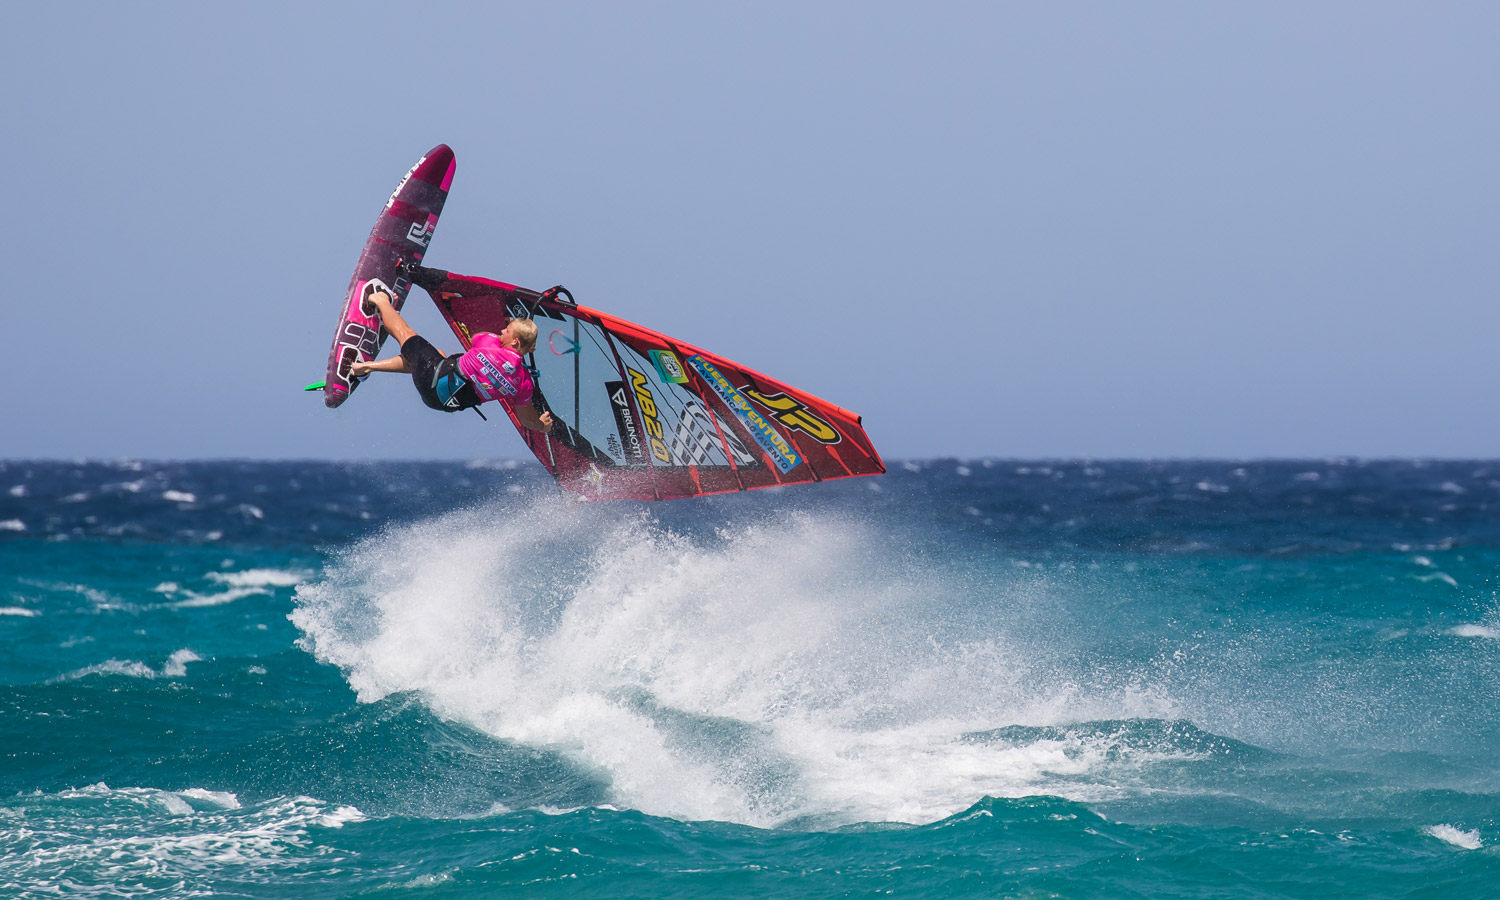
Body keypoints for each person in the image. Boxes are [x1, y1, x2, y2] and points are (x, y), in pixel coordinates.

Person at [349, 286, 554, 433]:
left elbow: (475, 338)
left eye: (507, 331)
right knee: (434, 355)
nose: (502, 331)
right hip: (442, 403)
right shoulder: (524, 383)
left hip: (434, 378)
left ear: (516, 342)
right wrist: (542, 425)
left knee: (405, 333)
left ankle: (380, 300)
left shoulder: (489, 343)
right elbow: (527, 420)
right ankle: (366, 367)